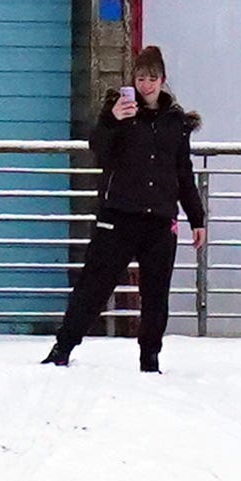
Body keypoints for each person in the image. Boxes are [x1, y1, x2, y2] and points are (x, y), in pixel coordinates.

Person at [43, 46, 207, 372]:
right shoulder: (117, 112)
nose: (146, 85)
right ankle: (63, 347)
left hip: (160, 219)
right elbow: (99, 150)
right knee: (94, 285)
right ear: (133, 79)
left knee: (156, 294)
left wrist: (196, 217)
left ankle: (150, 359)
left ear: (163, 80)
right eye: (141, 77)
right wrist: (112, 120)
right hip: (117, 215)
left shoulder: (175, 122)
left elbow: (183, 172)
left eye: (152, 78)